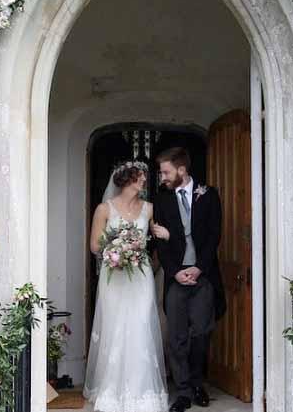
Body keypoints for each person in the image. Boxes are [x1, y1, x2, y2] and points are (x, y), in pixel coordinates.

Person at [84, 161, 169, 412]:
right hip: (115, 276)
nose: (144, 181)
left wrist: (154, 244)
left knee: (141, 325)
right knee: (116, 328)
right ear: (125, 180)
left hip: (141, 276)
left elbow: (158, 241)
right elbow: (94, 246)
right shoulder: (104, 209)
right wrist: (119, 249)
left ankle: (142, 392)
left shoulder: (150, 208)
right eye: (139, 177)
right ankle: (112, 392)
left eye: (143, 177)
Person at [152, 148, 226, 412]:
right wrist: (174, 271)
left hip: (203, 275)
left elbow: (213, 235)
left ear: (182, 170)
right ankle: (182, 392)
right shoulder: (162, 198)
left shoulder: (209, 195)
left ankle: (197, 384)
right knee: (177, 336)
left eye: (166, 172)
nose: (162, 177)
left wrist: (199, 268)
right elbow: (161, 243)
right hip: (175, 277)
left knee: (202, 333)